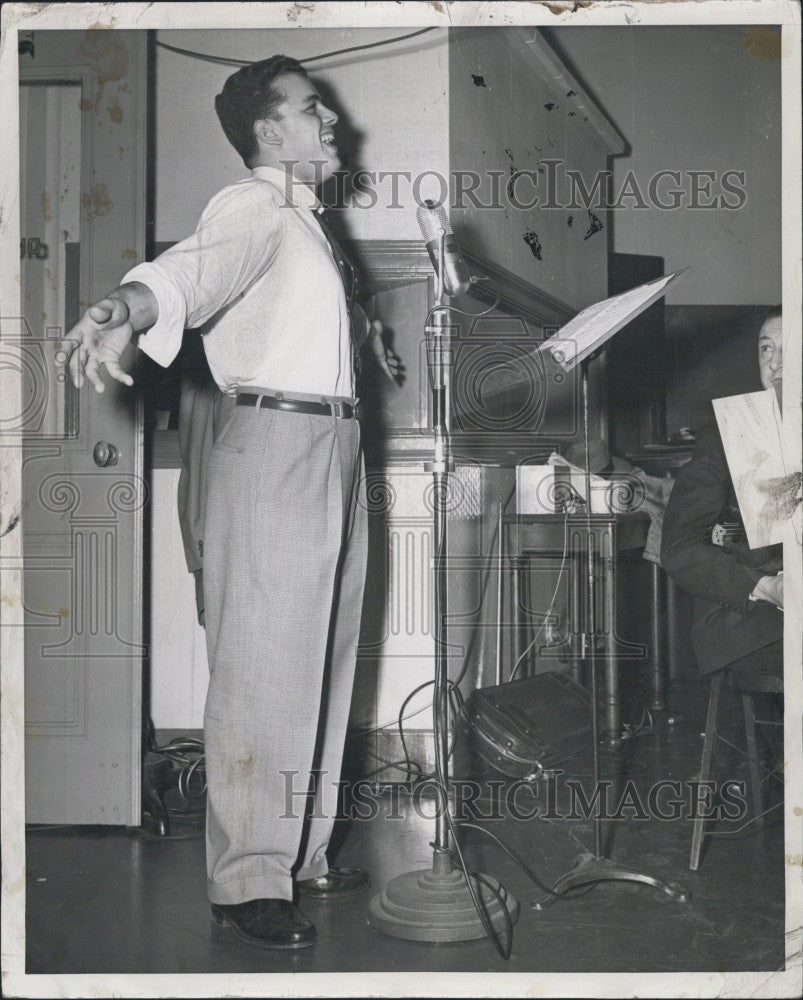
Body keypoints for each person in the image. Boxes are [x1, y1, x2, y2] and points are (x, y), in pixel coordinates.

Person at [60, 55, 399, 951]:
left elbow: (290, 316)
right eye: (311, 111)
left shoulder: (310, 226)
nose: (332, 123)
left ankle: (304, 853)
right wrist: (121, 307)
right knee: (263, 668)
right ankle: (248, 879)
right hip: (278, 445)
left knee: (324, 660)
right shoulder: (252, 205)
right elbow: (186, 275)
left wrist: (363, 341)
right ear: (268, 133)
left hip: (333, 440)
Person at [661, 306, 784, 681]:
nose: (776, 363)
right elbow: (678, 548)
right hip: (750, 621)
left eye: (791, 347)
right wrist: (764, 587)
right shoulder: (729, 433)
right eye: (766, 349)